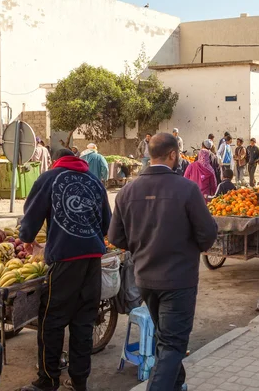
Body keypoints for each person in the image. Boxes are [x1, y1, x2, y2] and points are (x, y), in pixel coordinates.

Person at [108, 133, 217, 391]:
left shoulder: (127, 191)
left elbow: (115, 236)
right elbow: (208, 234)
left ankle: (177, 384)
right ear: (172, 155)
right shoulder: (187, 189)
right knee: (172, 344)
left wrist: (140, 247)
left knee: (165, 337)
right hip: (179, 281)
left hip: (144, 278)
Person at [19, 148, 111, 391]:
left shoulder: (49, 178)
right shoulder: (94, 180)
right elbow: (106, 224)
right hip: (93, 260)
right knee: (83, 322)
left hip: (65, 260)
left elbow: (31, 215)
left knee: (52, 320)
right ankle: (79, 381)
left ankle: (48, 380)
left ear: (57, 161)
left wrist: (27, 237)